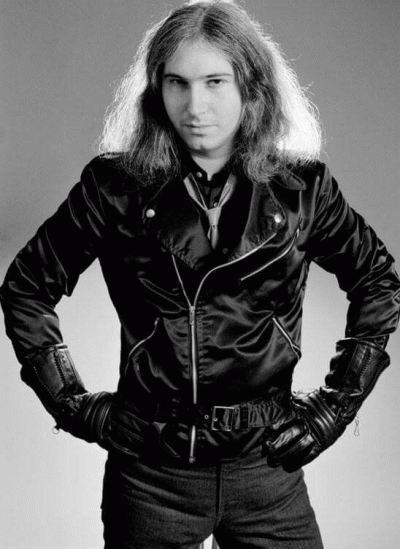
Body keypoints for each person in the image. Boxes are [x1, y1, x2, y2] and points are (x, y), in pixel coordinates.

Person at [1, 1, 399, 547]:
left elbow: (377, 279)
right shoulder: (113, 187)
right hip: (151, 475)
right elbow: (26, 286)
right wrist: (74, 404)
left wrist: (335, 407)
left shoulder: (303, 190)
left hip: (267, 470)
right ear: (156, 90)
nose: (195, 106)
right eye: (177, 83)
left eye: (215, 82)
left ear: (251, 88)